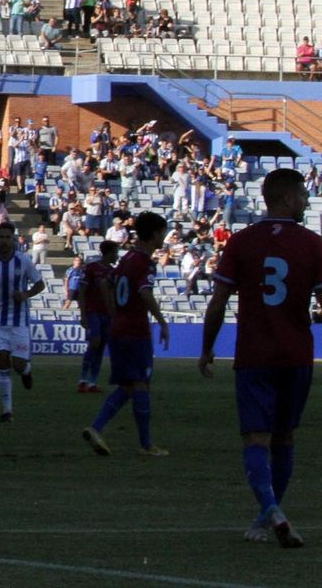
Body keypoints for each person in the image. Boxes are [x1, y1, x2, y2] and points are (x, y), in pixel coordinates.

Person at [198, 168, 322, 547]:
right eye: (302, 195)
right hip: (296, 354)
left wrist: (206, 349)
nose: (305, 201)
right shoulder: (315, 245)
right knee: (285, 438)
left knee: (256, 438)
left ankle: (271, 511)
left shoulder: (241, 242)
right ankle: (269, 514)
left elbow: (218, 303)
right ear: (286, 198)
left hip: (253, 354)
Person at [83, 211, 171, 457]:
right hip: (135, 330)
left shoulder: (126, 258)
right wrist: (162, 321)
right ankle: (146, 445)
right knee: (141, 384)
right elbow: (145, 292)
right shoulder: (144, 262)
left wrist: (115, 313)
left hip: (118, 329)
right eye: (163, 232)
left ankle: (97, 428)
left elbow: (105, 284)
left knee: (129, 386)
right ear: (154, 234)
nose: (164, 237)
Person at [0, 223, 45, 422]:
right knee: (3, 362)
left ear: (12, 239)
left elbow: (40, 284)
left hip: (18, 321)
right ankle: (7, 412)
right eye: (1, 237)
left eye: (7, 237)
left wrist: (25, 294)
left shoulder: (23, 261)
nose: (3, 241)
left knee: (19, 365)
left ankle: (27, 371)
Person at [75, 239, 120, 393]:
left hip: (108, 314)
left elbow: (114, 294)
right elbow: (81, 291)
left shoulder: (114, 272)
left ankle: (92, 382)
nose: (117, 256)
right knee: (95, 341)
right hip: (93, 311)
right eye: (115, 252)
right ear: (108, 253)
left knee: (101, 347)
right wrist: (82, 313)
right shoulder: (91, 268)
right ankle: (82, 379)